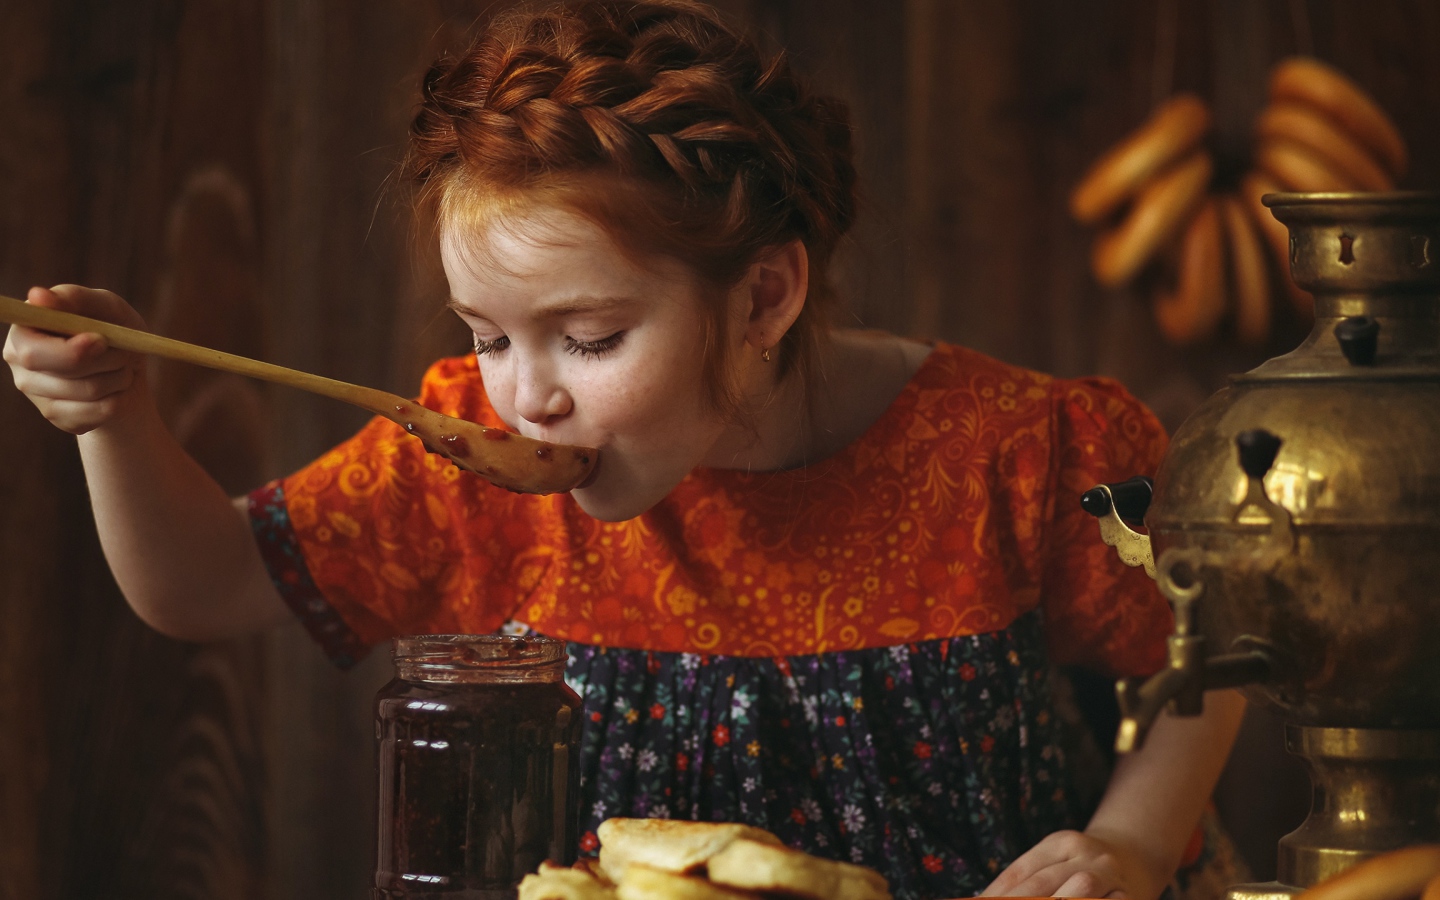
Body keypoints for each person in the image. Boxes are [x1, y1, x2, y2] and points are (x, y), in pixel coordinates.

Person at [4, 1, 1246, 898]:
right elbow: (202, 584)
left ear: (765, 297)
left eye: (588, 338)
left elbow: (1211, 644)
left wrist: (1133, 844)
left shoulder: (1017, 453)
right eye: (488, 336)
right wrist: (113, 416)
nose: (525, 397)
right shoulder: (466, 455)